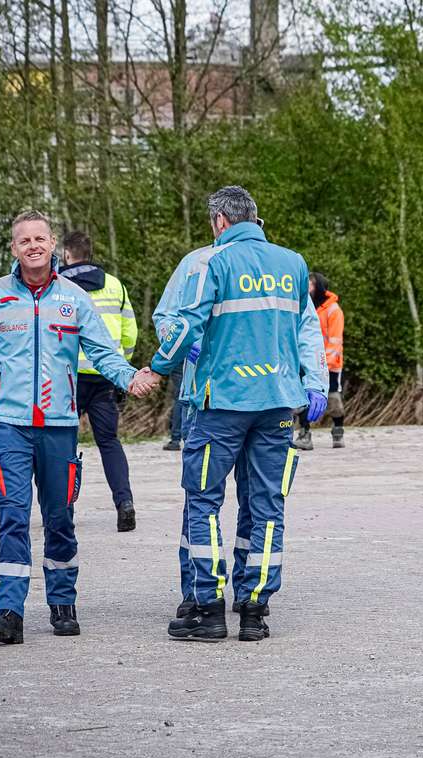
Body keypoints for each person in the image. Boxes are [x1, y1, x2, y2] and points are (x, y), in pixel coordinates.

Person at [0, 210, 157, 645]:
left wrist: (129, 377)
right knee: (13, 518)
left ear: (53, 243)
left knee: (59, 519)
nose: (34, 246)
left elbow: (103, 351)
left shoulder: (75, 298)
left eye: (40, 238)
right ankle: (9, 611)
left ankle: (62, 603)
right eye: (25, 240)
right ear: (14, 248)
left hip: (59, 425)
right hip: (8, 427)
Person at [140, 185, 325, 643]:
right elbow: (306, 326)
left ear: (219, 221)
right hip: (277, 403)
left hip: (220, 401)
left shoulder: (213, 262)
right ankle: (254, 610)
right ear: (254, 218)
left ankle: (207, 607)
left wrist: (159, 366)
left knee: (202, 503)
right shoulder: (293, 264)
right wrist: (315, 380)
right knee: (267, 507)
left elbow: (181, 326)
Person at [59, 231, 139, 533]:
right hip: (105, 377)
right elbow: (130, 332)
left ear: (67, 254)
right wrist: (122, 366)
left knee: (63, 444)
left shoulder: (57, 285)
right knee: (109, 442)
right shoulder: (114, 285)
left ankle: (62, 508)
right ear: (90, 253)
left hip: (68, 378)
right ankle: (125, 503)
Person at [295, 272, 345, 449]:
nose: (307, 288)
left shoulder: (333, 310)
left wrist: (323, 364)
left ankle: (338, 430)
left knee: (333, 400)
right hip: (308, 362)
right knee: (303, 398)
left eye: (311, 285)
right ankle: (305, 434)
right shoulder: (307, 306)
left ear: (319, 287)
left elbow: (335, 340)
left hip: (330, 364)